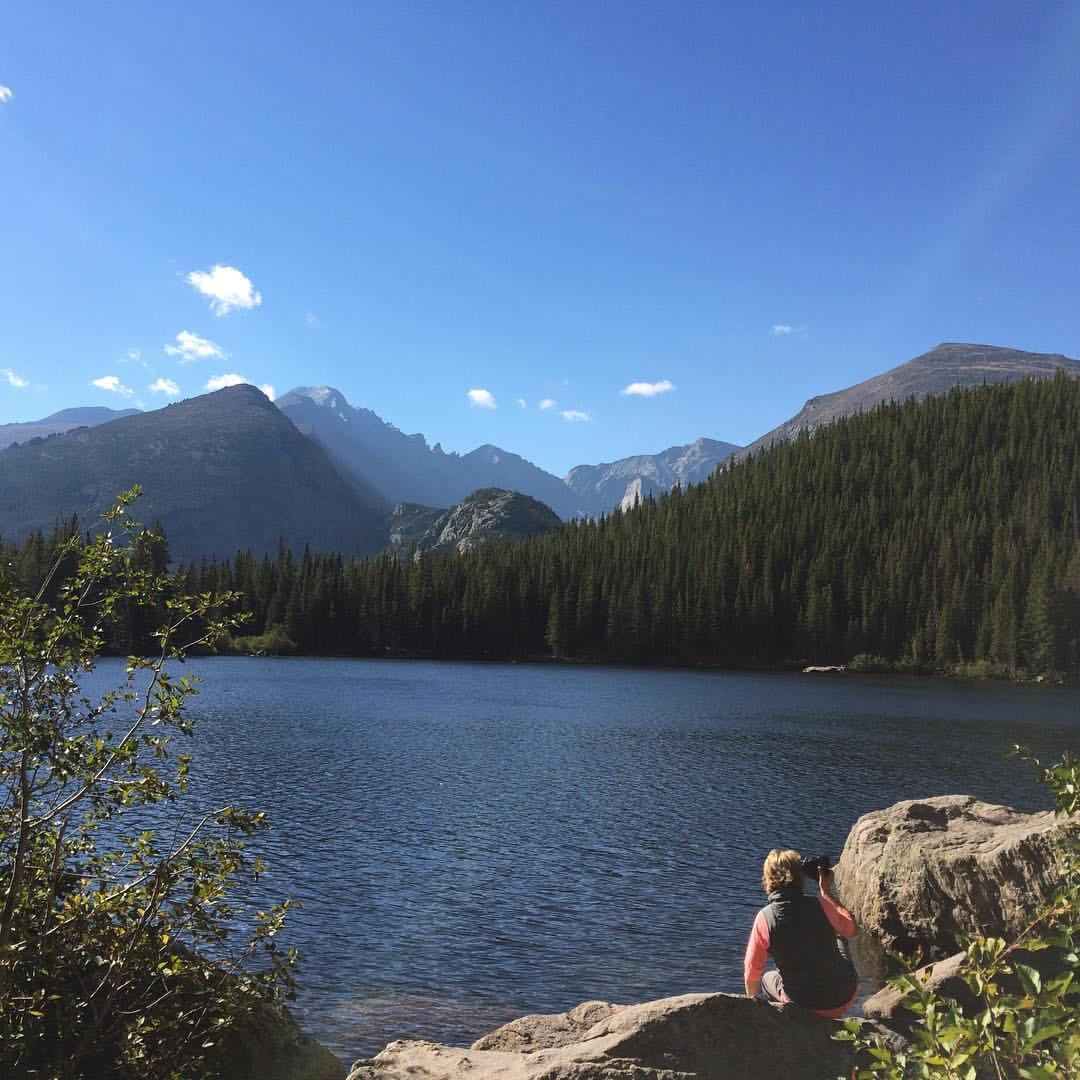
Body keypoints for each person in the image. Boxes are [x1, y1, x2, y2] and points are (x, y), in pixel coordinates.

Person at [743, 848, 858, 1018]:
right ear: (800, 877)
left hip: (802, 1006)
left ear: (767, 879)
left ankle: (788, 1021)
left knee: (768, 978)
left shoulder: (765, 918)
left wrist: (751, 1006)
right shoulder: (822, 905)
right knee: (839, 936)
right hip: (844, 997)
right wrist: (827, 893)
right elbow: (852, 929)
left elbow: (752, 971)